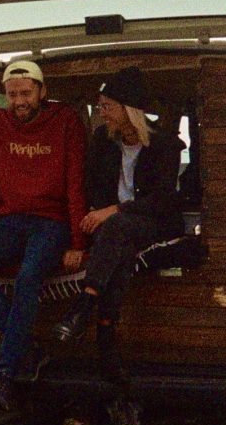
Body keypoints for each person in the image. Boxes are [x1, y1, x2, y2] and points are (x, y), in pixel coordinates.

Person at [0, 59, 88, 414]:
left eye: (26, 93)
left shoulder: (65, 122)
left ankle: (4, 374)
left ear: (42, 92)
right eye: (12, 94)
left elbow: (76, 184)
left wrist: (78, 241)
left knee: (30, 276)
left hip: (52, 221)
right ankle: (27, 347)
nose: (19, 101)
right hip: (12, 221)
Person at [51, 66, 185, 382]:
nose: (102, 113)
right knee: (120, 247)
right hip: (119, 230)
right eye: (100, 107)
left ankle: (83, 307)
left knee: (118, 227)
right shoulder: (103, 140)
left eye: (107, 106)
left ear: (129, 109)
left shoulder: (164, 144)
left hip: (156, 224)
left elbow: (162, 200)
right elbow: (92, 186)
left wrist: (114, 209)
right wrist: (102, 212)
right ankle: (106, 340)